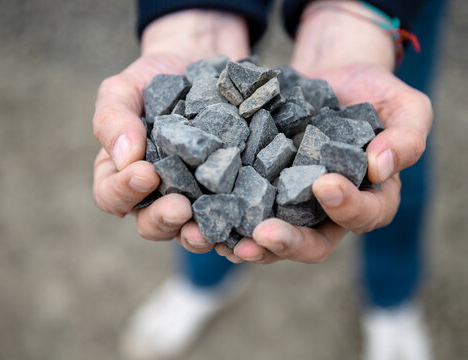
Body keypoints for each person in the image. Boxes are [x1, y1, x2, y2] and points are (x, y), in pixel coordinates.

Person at [91, 1, 444, 358]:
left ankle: (391, 298)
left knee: (391, 160)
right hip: (214, 81)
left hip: (387, 16)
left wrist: (361, 11)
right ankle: (203, 282)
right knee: (191, 208)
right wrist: (195, 10)